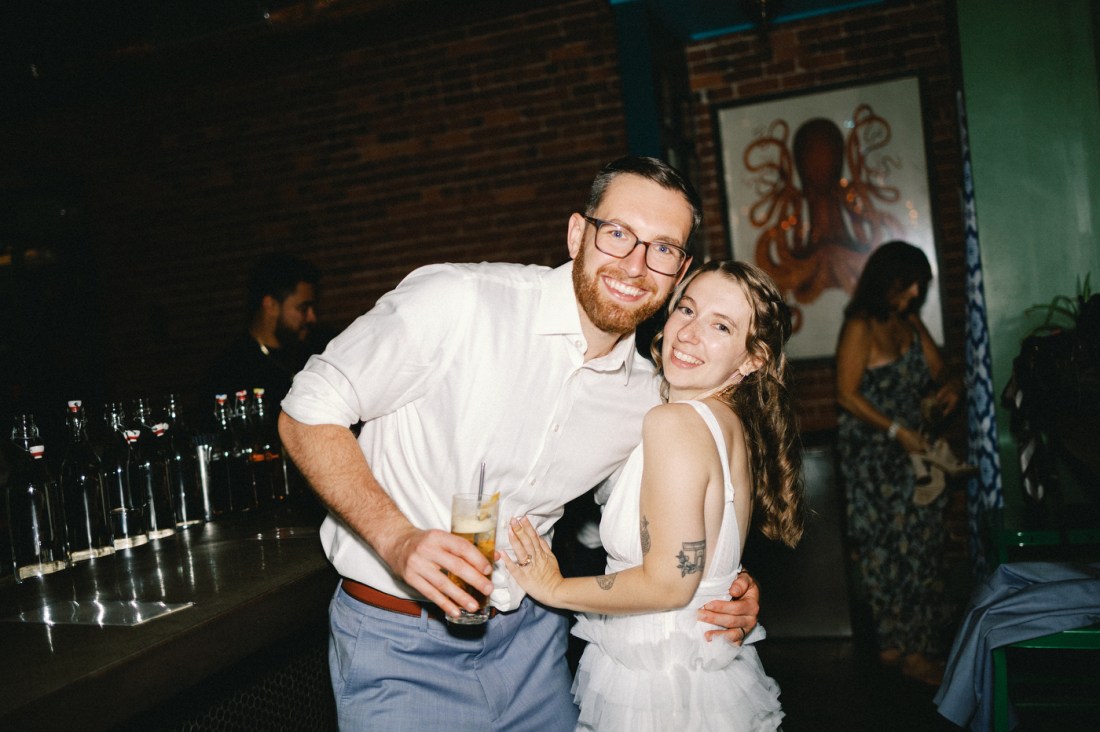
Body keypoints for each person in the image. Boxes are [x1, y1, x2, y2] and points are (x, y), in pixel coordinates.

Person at [278, 156, 762, 731]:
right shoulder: (460, 302)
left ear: (678, 269)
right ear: (578, 233)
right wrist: (398, 538)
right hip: (398, 643)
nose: (635, 265)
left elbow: (650, 523)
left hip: (534, 648)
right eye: (618, 234)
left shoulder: (647, 398)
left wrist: (722, 584)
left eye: (662, 249)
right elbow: (305, 411)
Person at [504, 260, 805, 731]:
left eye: (720, 326)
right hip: (701, 670)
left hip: (660, 679)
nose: (688, 333)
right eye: (686, 309)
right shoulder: (724, 422)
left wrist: (554, 588)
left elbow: (669, 583)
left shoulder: (675, 421)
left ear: (753, 359)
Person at [834, 240, 963, 685]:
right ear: (886, 281)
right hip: (874, 460)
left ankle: (905, 644)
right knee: (888, 552)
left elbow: (940, 370)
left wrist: (951, 388)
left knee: (920, 549)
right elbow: (845, 394)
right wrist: (896, 431)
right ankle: (906, 650)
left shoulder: (909, 322)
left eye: (918, 288)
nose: (913, 295)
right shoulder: (860, 325)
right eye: (907, 286)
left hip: (912, 456)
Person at [203, 253, 321, 407]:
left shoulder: (314, 349)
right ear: (271, 305)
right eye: (303, 308)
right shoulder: (231, 371)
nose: (312, 317)